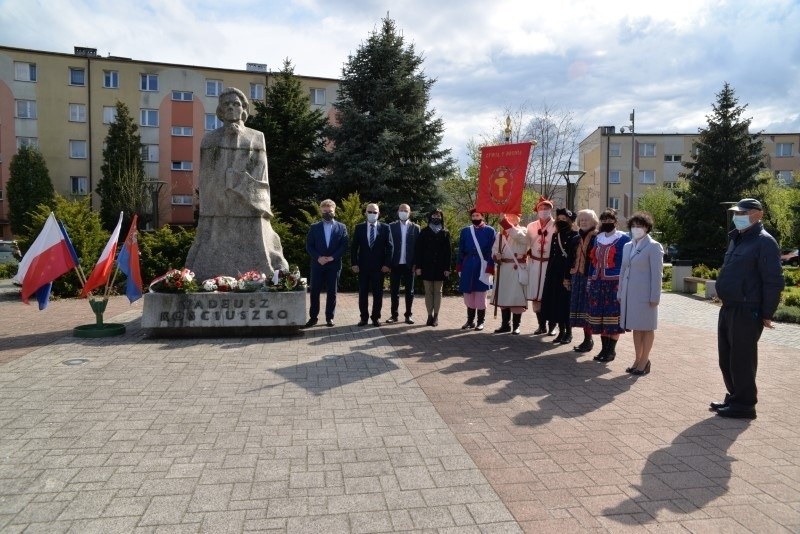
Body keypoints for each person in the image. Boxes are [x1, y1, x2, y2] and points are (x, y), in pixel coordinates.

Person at [187, 87, 288, 280]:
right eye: (227, 104)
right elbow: (206, 175)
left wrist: (239, 181)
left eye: (236, 104)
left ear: (244, 109)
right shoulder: (210, 138)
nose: (232, 107)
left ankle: (264, 273)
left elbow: (261, 172)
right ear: (220, 111)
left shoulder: (256, 137)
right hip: (219, 207)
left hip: (247, 203)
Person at [711, 198, 783, 419]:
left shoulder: (764, 242)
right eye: (736, 213)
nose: (737, 217)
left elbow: (773, 280)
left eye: (743, 213)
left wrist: (767, 313)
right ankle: (735, 396)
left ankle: (745, 405)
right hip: (729, 307)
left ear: (758, 215)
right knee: (727, 357)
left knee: (742, 358)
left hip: (747, 308)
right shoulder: (738, 239)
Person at [617, 211, 663, 375]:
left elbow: (657, 274)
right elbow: (623, 270)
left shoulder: (653, 246)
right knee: (636, 328)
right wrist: (620, 292)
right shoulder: (627, 245)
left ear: (647, 228)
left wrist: (655, 296)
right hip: (630, 295)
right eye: (634, 226)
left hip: (646, 296)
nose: (636, 229)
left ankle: (645, 360)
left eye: (640, 226)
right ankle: (637, 359)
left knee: (647, 328)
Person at [586, 208, 630, 362]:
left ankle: (611, 351)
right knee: (601, 317)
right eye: (603, 219)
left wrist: (625, 283)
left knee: (613, 318)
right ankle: (604, 349)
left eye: (610, 219)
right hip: (598, 283)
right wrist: (590, 280)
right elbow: (593, 261)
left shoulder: (624, 239)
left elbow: (627, 263)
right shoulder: (597, 239)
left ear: (615, 221)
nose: (606, 222)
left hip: (614, 283)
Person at [305, 199, 349, 328]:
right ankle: (313, 318)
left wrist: (332, 257)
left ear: (334, 211)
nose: (327, 213)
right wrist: (318, 257)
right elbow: (309, 246)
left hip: (334, 265)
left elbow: (344, 245)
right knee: (314, 292)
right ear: (320, 211)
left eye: (330, 211)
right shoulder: (314, 227)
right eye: (325, 211)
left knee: (332, 292)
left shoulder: (342, 227)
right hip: (317, 264)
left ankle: (330, 317)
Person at [351, 203, 394, 326]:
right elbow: (354, 247)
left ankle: (375, 317)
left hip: (379, 267)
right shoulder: (359, 228)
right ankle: (364, 318)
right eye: (369, 212)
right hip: (363, 267)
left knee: (378, 293)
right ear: (365, 213)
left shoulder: (385, 228)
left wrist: (387, 264)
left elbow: (390, 247)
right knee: (362, 293)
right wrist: (354, 263)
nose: (372, 214)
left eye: (374, 212)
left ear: (379, 214)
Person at [540, 208, 579, 344]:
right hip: (554, 273)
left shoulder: (575, 235)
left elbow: (573, 257)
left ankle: (568, 333)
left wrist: (568, 275)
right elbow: (552, 255)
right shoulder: (555, 235)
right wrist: (548, 273)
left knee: (565, 303)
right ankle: (561, 331)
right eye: (560, 219)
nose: (561, 221)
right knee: (555, 303)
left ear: (570, 221)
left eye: (564, 219)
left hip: (566, 273)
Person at [457, 208, 496, 331]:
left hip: (482, 265)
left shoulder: (490, 231)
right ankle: (470, 321)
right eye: (473, 216)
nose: (475, 218)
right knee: (468, 294)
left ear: (482, 216)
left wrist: (490, 266)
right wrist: (459, 266)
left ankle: (480, 321)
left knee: (480, 294)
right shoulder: (465, 231)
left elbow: (492, 250)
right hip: (468, 265)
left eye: (477, 215)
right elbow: (461, 250)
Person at [491, 213, 529, 335]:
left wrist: (507, 224)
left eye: (514, 217)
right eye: (508, 217)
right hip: (503, 268)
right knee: (503, 296)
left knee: (516, 297)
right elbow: (495, 249)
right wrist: (496, 256)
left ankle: (516, 326)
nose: (510, 219)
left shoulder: (523, 230)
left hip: (516, 267)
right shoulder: (500, 235)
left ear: (519, 218)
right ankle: (505, 324)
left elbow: (521, 238)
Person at [415, 209, 452, 327]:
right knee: (428, 292)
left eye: (438, 215)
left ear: (441, 217)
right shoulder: (424, 232)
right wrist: (418, 266)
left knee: (438, 292)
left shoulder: (445, 232)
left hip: (440, 268)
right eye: (434, 215)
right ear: (430, 217)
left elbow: (448, 252)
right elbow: (418, 251)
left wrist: (447, 268)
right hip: (426, 267)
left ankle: (436, 315)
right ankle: (429, 315)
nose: (436, 217)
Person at [569, 209, 599, 352]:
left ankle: (589, 340)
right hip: (577, 276)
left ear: (594, 222)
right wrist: (566, 277)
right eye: (581, 220)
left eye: (587, 219)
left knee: (588, 309)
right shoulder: (575, 238)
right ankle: (586, 339)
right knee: (580, 309)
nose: (584, 222)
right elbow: (570, 259)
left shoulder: (598, 238)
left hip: (590, 277)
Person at [527, 197, 557, 335]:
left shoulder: (557, 225)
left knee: (550, 296)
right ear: (537, 210)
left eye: (546, 208)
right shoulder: (531, 226)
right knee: (536, 296)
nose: (544, 211)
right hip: (534, 265)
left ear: (551, 210)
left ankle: (552, 326)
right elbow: (524, 241)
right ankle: (541, 325)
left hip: (550, 265)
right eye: (541, 208)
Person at [388, 204, 420, 324]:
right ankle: (394, 315)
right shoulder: (391, 226)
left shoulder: (415, 228)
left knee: (409, 292)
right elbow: (388, 246)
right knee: (394, 291)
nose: (403, 212)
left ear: (409, 212)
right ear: (397, 212)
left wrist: (416, 263)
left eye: (405, 210)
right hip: (395, 264)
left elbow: (418, 248)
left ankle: (408, 315)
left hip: (409, 265)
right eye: (401, 210)